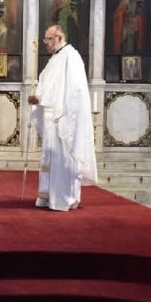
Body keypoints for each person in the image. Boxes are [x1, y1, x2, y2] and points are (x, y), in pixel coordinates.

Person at [27, 25, 97, 211]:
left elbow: (76, 91)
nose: (46, 44)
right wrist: (38, 98)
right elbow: (50, 86)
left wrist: (65, 115)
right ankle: (48, 197)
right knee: (50, 159)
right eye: (45, 40)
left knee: (64, 160)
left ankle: (65, 198)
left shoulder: (71, 56)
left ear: (58, 37)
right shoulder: (55, 59)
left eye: (48, 39)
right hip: (52, 117)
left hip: (64, 119)